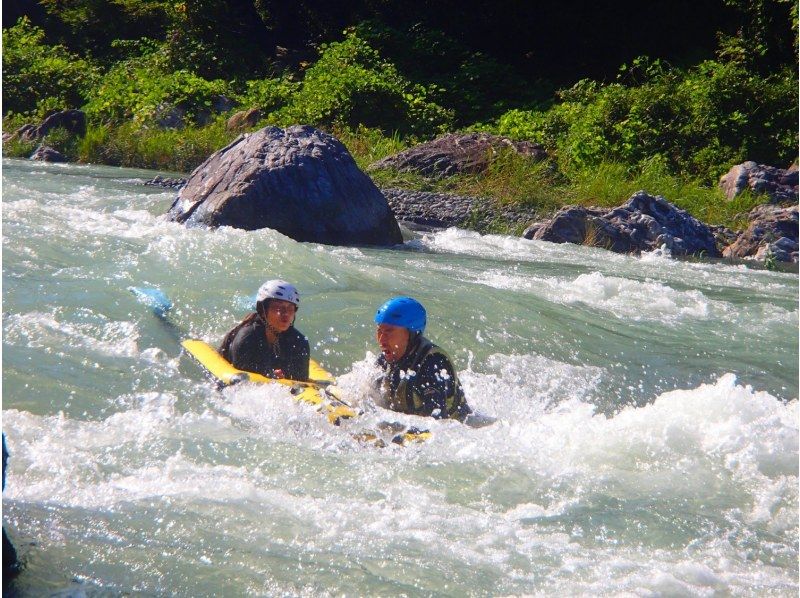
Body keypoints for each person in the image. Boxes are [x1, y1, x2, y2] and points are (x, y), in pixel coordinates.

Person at [373, 296, 471, 421]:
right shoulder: (384, 361)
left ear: (412, 332)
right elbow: (367, 397)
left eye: (389, 331)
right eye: (379, 331)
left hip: (461, 431)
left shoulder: (433, 364)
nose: (381, 340)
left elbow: (437, 424)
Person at [219, 280, 309, 381]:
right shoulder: (247, 338)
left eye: (290, 308)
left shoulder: (299, 342)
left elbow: (302, 382)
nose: (286, 313)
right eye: (278, 307)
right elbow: (242, 384)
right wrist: (271, 376)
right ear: (262, 309)